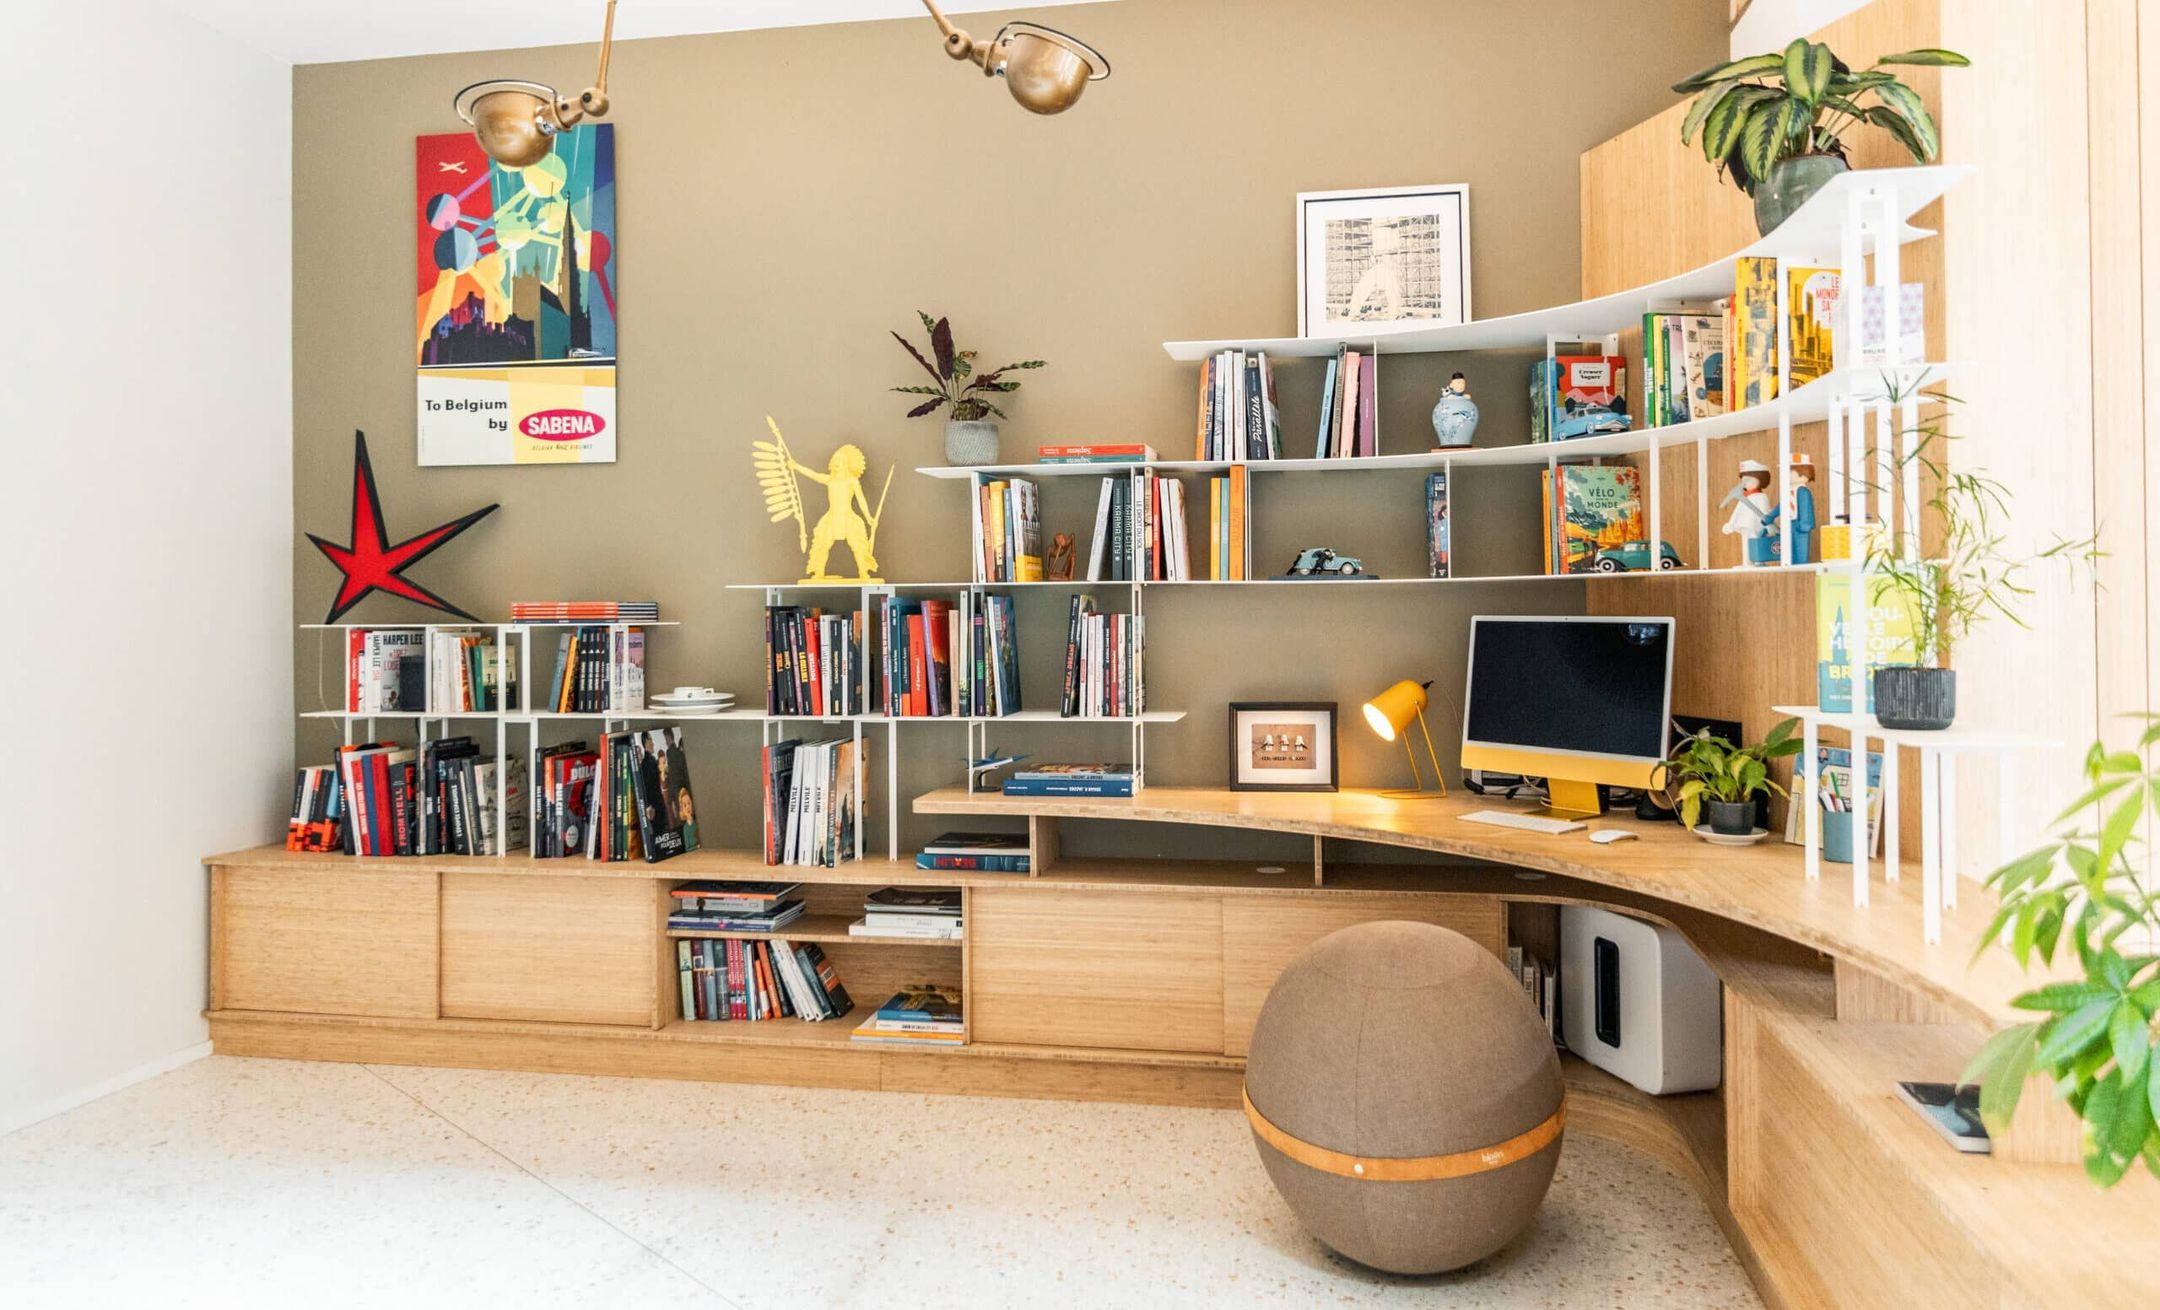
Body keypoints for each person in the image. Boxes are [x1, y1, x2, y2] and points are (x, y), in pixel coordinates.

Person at [1787, 455, 1818, 565]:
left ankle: (1801, 564)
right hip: (1790, 523)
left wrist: (1804, 522)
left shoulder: (1803, 491)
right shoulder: (1789, 492)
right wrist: (1771, 516)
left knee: (1801, 549)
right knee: (1790, 548)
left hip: (1801, 525)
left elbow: (1805, 507)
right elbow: (1782, 506)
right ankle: (1792, 564)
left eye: (1791, 472)